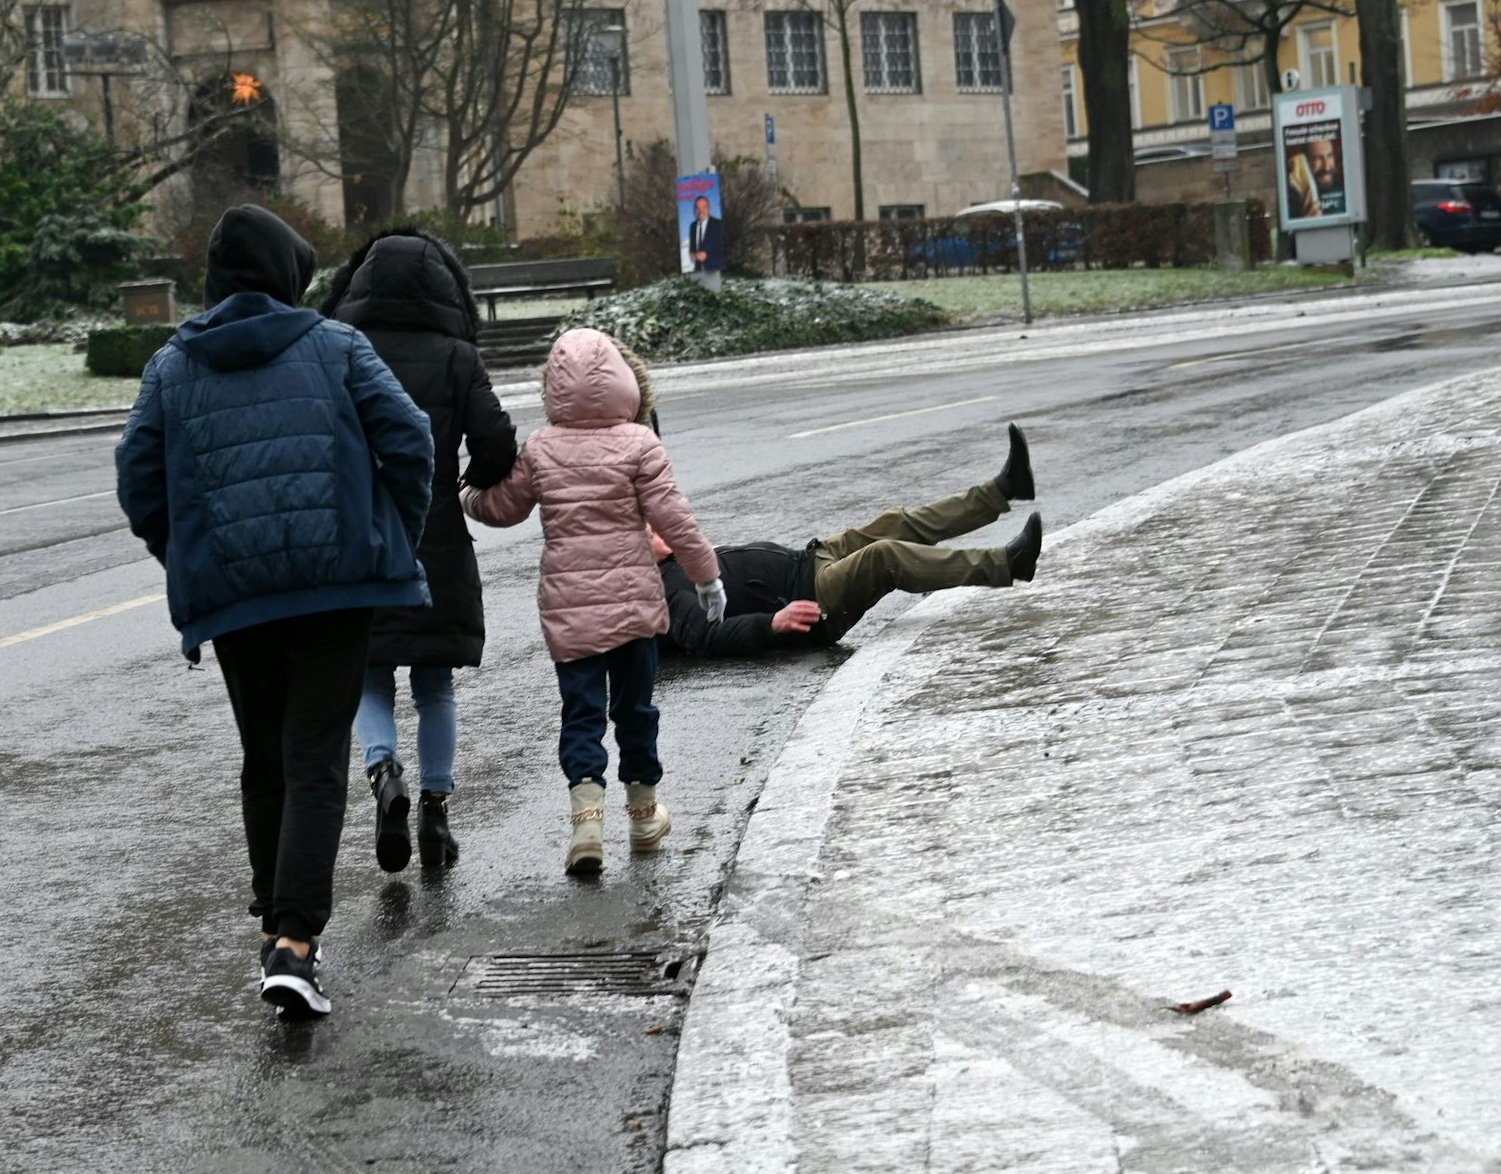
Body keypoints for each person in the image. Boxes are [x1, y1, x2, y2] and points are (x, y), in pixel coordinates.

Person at [115, 205, 433, 1020]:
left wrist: (188, 551)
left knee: (264, 755)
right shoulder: (336, 346)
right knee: (316, 757)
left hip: (237, 599)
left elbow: (138, 481)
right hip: (336, 588)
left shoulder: (171, 366)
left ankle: (276, 925)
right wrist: (387, 529)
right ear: (289, 277)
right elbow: (411, 439)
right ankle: (294, 941)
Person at [461, 329, 725, 875]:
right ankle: (645, 817)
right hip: (633, 607)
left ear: (554, 388)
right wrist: (706, 578)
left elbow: (504, 509)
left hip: (569, 609)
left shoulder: (541, 447)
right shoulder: (639, 444)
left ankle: (587, 824)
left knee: (581, 714)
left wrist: (465, 496)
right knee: (635, 710)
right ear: (627, 383)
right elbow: (674, 519)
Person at [318, 227, 518, 873]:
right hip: (435, 540)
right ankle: (435, 808)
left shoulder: (342, 350)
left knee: (365, 675)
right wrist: (467, 483)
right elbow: (496, 445)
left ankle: (384, 775)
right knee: (435, 685)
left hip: (359, 540)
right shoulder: (457, 357)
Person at [657, 424, 1044, 657]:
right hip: (812, 602)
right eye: (649, 531)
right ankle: (1008, 563)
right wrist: (771, 623)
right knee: (884, 557)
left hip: (811, 559)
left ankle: (1004, 489)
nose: (658, 528)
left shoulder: (680, 561)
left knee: (895, 523)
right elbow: (705, 637)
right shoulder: (664, 591)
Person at [689, 197, 726, 272]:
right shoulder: (692, 226)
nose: (700, 211)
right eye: (697, 208)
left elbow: (724, 248)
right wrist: (692, 253)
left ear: (709, 208)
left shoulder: (718, 225)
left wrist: (707, 255)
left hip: (715, 269)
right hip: (698, 270)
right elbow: (692, 246)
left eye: (703, 207)